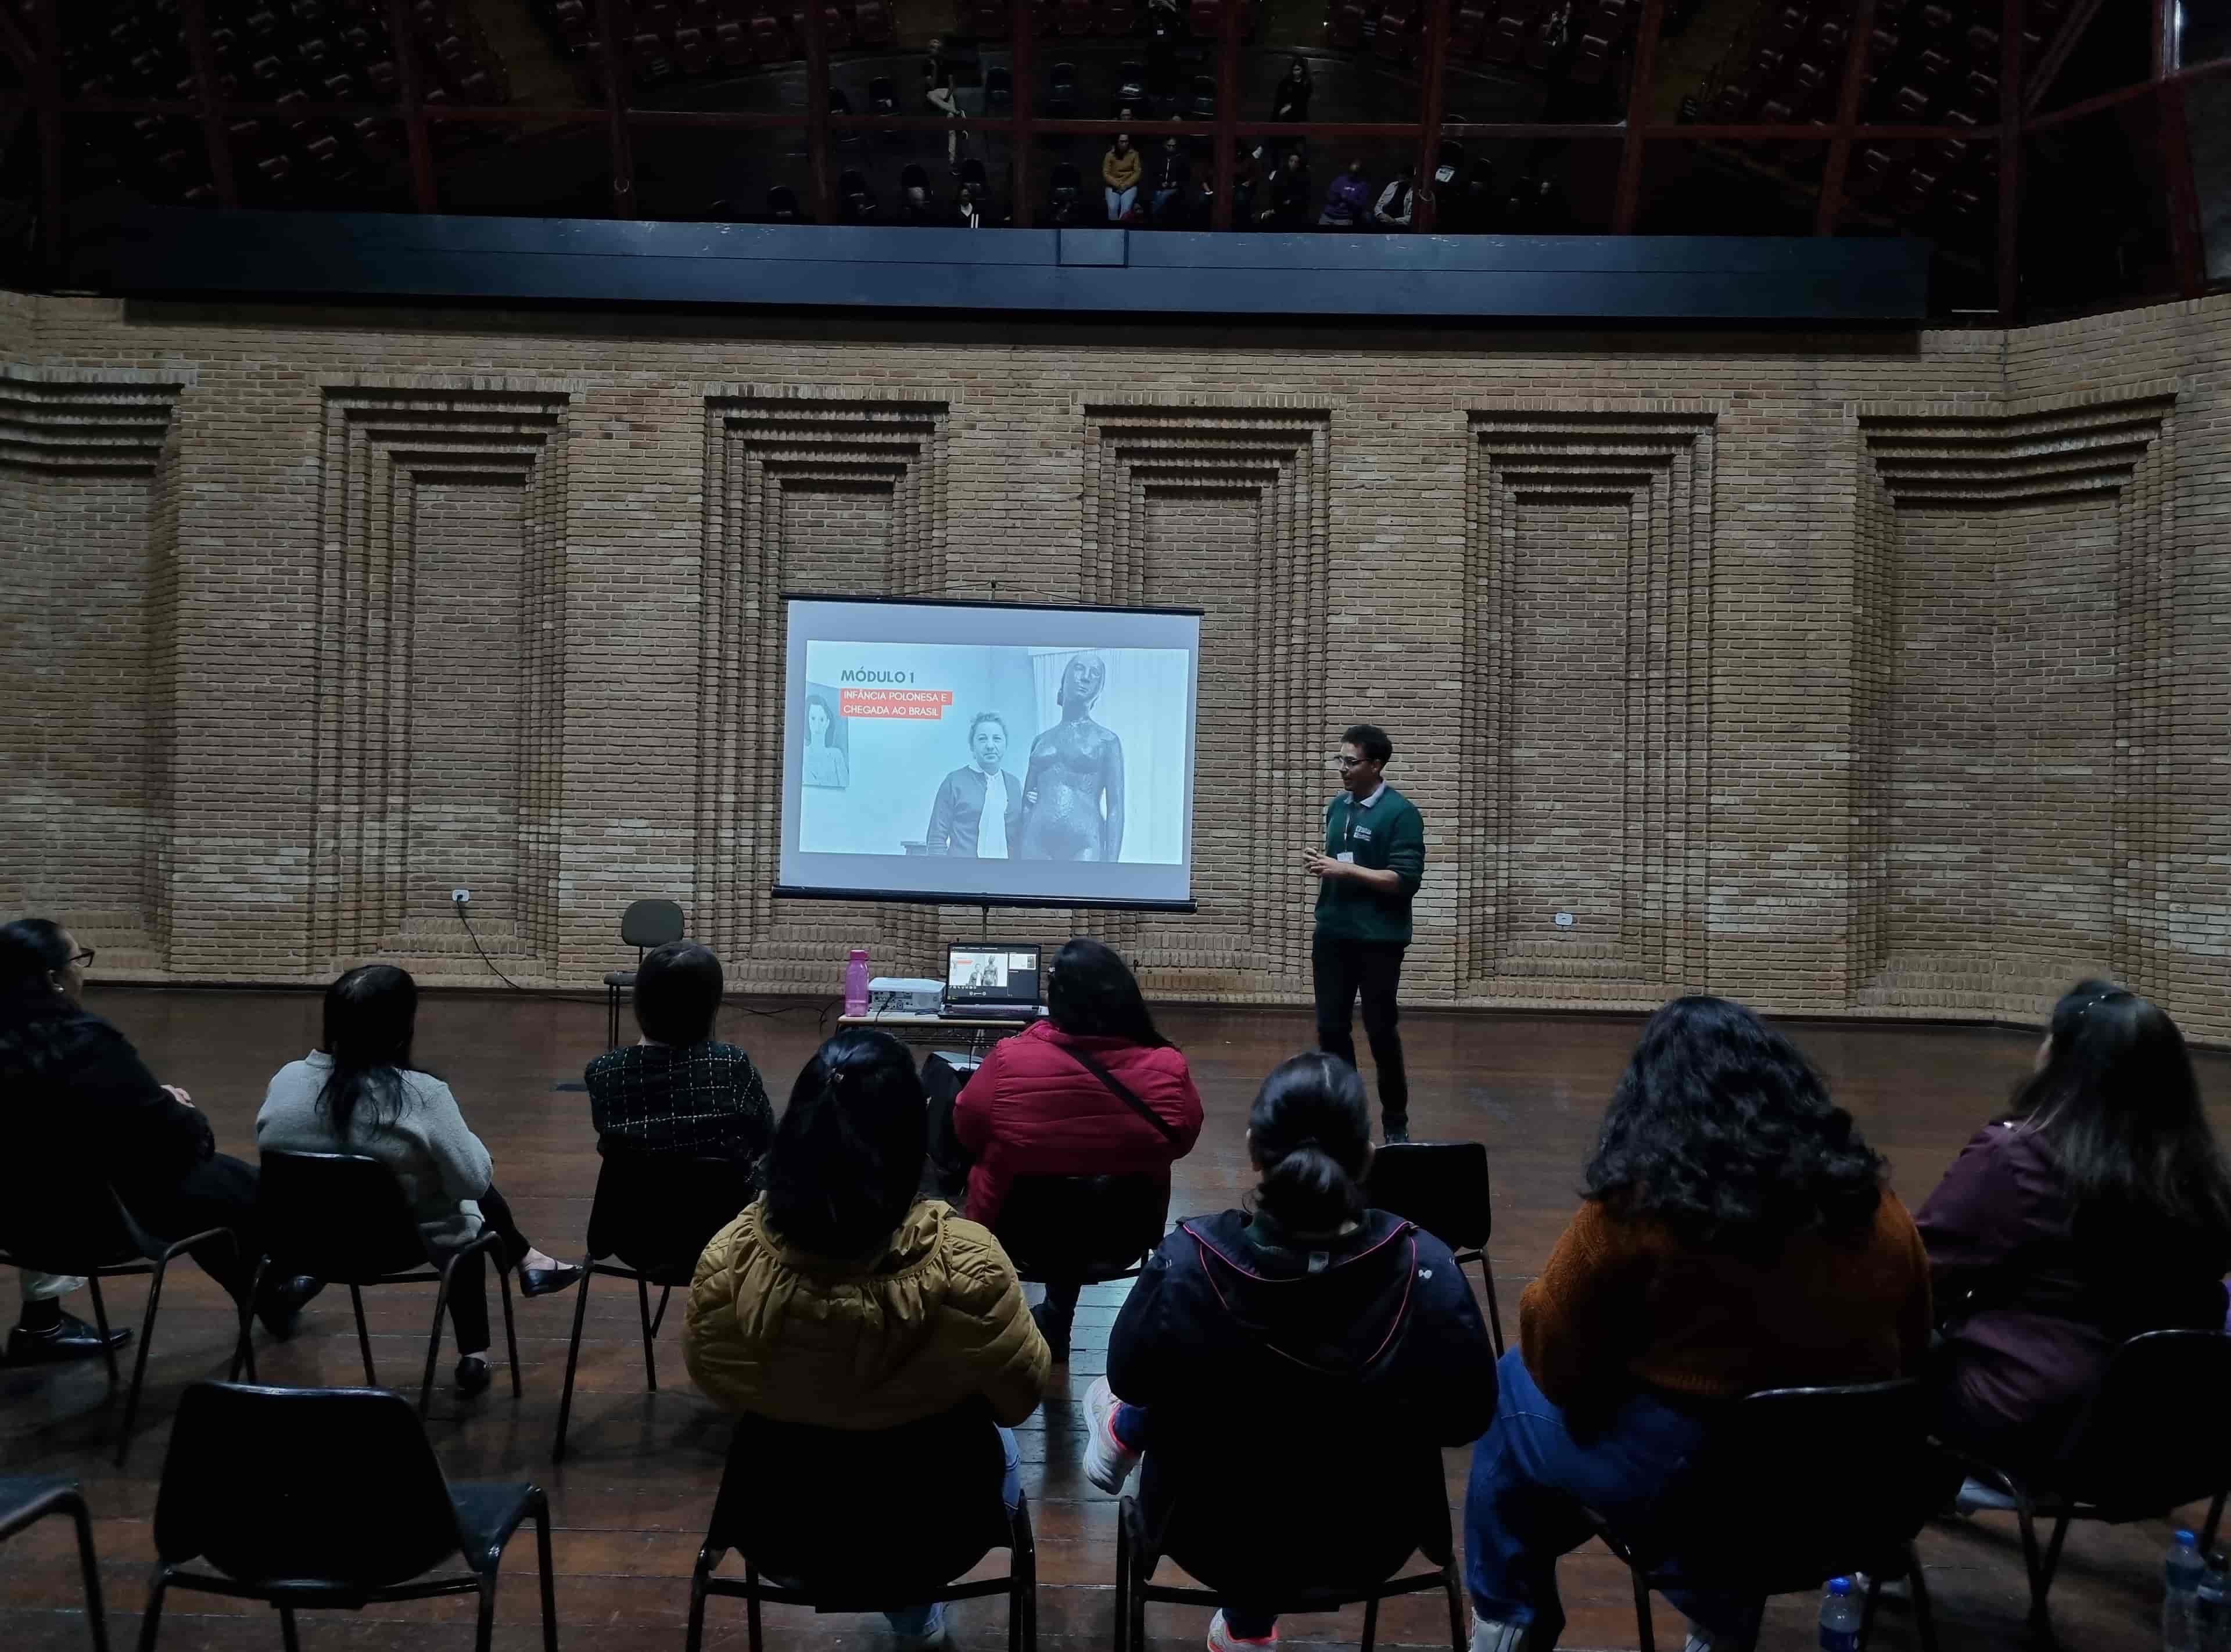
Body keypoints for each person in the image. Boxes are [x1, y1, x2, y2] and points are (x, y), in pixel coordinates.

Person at [1464, 997, 1931, 1652]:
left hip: (1697, 1499)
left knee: (1512, 1393)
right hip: (1847, 1499)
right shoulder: (1879, 1208)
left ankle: (1507, 1624)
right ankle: (1718, 1630)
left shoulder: (1634, 1210)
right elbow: (1915, 1352)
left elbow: (1555, 1364)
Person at [1082, 1053, 1499, 1652]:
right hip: (1374, 1537)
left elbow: (1131, 1373)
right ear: (1367, 1157)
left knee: (1198, 1386)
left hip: (1213, 1537)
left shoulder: (1186, 1264)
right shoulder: (1426, 1266)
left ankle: (1246, 1621)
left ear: (1254, 1149)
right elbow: (1467, 1415)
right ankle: (1244, 1624)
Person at [684, 1029, 1052, 1646]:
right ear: (914, 1138)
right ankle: (914, 1617)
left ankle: (909, 1613)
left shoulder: (731, 1258)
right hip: (941, 1529)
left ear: (794, 1132)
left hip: (781, 1526)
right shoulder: (973, 1264)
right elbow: (1019, 1397)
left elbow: (717, 1381)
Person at [1917, 980, 2231, 1484]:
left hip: (2034, 1419)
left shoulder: (2016, 1158)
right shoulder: (2205, 1176)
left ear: (2064, 1062)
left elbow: (1918, 1271)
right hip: (2171, 1430)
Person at [0, 917, 315, 1363]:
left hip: (17, 1224)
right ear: (53, 979)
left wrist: (138, 1103)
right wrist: (179, 1108)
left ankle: (42, 1324)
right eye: (78, 960)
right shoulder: (86, 1045)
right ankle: (273, 1288)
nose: (82, 970)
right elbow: (178, 1140)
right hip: (94, 1228)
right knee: (223, 1184)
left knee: (204, 1188)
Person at [257, 965, 580, 1395]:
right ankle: (475, 1354)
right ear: (403, 1026)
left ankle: (528, 1263)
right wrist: (468, 1143)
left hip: (304, 1241)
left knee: (443, 1199)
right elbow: (473, 1181)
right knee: (462, 1212)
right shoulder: (422, 1094)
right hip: (397, 1244)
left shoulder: (288, 1079)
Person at [951, 938, 1204, 1362]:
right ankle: (1056, 1317)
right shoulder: (1167, 1067)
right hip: (1120, 1233)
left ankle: (1006, 1315)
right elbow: (1182, 1139)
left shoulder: (1011, 1059)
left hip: (1019, 1233)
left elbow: (965, 1129)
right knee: (1077, 1195)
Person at [1304, 723, 1423, 1143]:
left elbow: (1405, 880)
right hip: (1333, 935)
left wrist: (1345, 868)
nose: (1342, 769)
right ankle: (1347, 1117)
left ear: (1376, 764)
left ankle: (1396, 1122)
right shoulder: (1338, 807)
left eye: (1351, 761)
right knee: (1331, 1029)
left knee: (1380, 1028)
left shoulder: (1402, 814)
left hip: (1379, 940)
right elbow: (1344, 862)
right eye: (1339, 759)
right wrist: (1326, 862)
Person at [584, 941, 776, 1173]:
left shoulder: (603, 1071)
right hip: (722, 1207)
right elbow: (764, 1139)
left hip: (628, 1207)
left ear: (640, 1001)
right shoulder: (731, 1065)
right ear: (711, 1006)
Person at [1018, 653, 1125, 861]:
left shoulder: (1107, 740)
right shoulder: (1041, 741)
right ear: (1064, 679)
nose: (1086, 677)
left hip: (1084, 842)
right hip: (1035, 842)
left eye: (1095, 674)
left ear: (1099, 690)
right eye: (1079, 669)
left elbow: (1116, 808)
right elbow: (1026, 799)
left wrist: (1113, 865)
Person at [924, 710, 1026, 857]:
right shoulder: (954, 782)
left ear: (1005, 745)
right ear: (972, 747)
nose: (990, 746)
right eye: (982, 739)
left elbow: (1022, 835)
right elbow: (936, 839)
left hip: (1005, 875)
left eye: (997, 739)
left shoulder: (1015, 785)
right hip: (962, 875)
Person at [802, 692, 848, 789]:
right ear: (807, 720)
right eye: (813, 718)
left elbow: (846, 787)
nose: (817, 725)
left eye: (822, 719)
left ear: (827, 722)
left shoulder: (836, 755)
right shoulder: (803, 753)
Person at [1149, 134, 1191, 224]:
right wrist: (1161, 183)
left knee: (1162, 196)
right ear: (1165, 145)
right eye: (1169, 146)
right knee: (1158, 194)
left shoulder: (1181, 158)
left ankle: (1152, 220)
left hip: (1175, 188)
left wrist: (1177, 183)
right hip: (1159, 186)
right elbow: (1152, 175)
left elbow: (1186, 177)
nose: (1171, 148)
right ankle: (1155, 220)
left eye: (1173, 146)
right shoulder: (1158, 158)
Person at [1319, 157, 1371, 227]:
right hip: (1328, 216)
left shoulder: (1363, 185)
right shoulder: (1340, 179)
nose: (1352, 174)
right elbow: (1330, 195)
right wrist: (1339, 197)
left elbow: (1361, 204)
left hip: (1344, 219)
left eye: (1355, 172)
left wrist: (1347, 199)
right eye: (1351, 171)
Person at [1103, 132, 1141, 221]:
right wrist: (1117, 184)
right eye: (1122, 141)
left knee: (1126, 210)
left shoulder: (1135, 154)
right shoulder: (1110, 155)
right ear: (1117, 142)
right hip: (1113, 186)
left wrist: (1126, 185)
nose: (1124, 144)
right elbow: (1106, 173)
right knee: (1112, 209)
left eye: (1126, 142)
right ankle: (1114, 233)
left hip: (1129, 186)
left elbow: (1137, 172)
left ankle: (1123, 232)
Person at [1270, 149, 1313, 228]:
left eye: (1296, 162)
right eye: (1291, 161)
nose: (1293, 164)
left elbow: (1305, 194)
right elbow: (1275, 191)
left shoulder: (1303, 176)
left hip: (1296, 210)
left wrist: (1292, 201)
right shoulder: (1280, 173)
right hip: (1280, 209)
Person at [1372, 164, 1415, 229]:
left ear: (1410, 178)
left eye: (1404, 178)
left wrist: (1394, 221)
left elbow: (1410, 217)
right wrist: (1380, 214)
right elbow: (1378, 205)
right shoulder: (1392, 185)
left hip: (1398, 224)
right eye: (1400, 178)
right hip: (1383, 218)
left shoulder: (1414, 192)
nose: (1401, 181)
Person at [1272, 56, 1312, 122]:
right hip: (1285, 117)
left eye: (1298, 70)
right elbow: (1279, 100)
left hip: (1300, 117)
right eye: (1294, 70)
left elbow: (1303, 102)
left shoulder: (1307, 83)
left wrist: (1290, 106)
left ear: (1303, 69)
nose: (1295, 72)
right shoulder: (1285, 82)